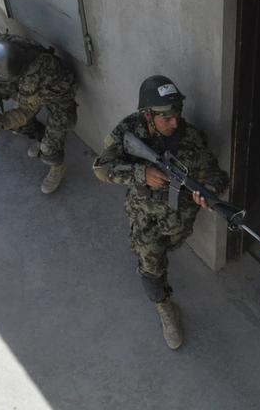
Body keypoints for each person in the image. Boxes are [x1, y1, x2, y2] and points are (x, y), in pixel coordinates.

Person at [92, 75, 229, 350]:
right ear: (148, 114)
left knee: (171, 244)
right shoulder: (129, 131)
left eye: (176, 115)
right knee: (151, 266)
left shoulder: (189, 137)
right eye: (166, 118)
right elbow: (101, 168)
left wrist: (210, 190)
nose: (174, 123)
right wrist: (141, 173)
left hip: (179, 220)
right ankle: (165, 308)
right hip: (144, 216)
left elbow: (215, 173)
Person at [0, 34, 77, 194]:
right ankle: (42, 138)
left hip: (59, 96)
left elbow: (24, 112)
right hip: (33, 87)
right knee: (19, 125)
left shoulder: (33, 74)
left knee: (48, 148)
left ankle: (57, 166)